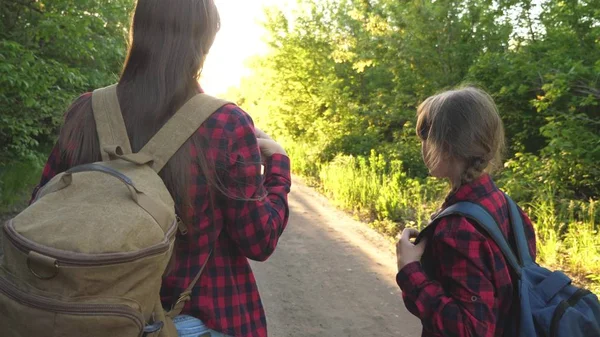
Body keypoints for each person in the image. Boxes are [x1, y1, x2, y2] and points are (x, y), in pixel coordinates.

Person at [29, 1, 291, 336]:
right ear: (204, 41)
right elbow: (259, 240)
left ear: (137, 32)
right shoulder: (225, 123)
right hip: (193, 321)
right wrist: (279, 166)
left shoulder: (85, 110)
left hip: (87, 317)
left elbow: (43, 204)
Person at [395, 86, 537, 337]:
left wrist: (409, 269)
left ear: (446, 146)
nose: (423, 145)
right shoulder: (506, 206)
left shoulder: (458, 229)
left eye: (425, 136)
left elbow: (470, 330)